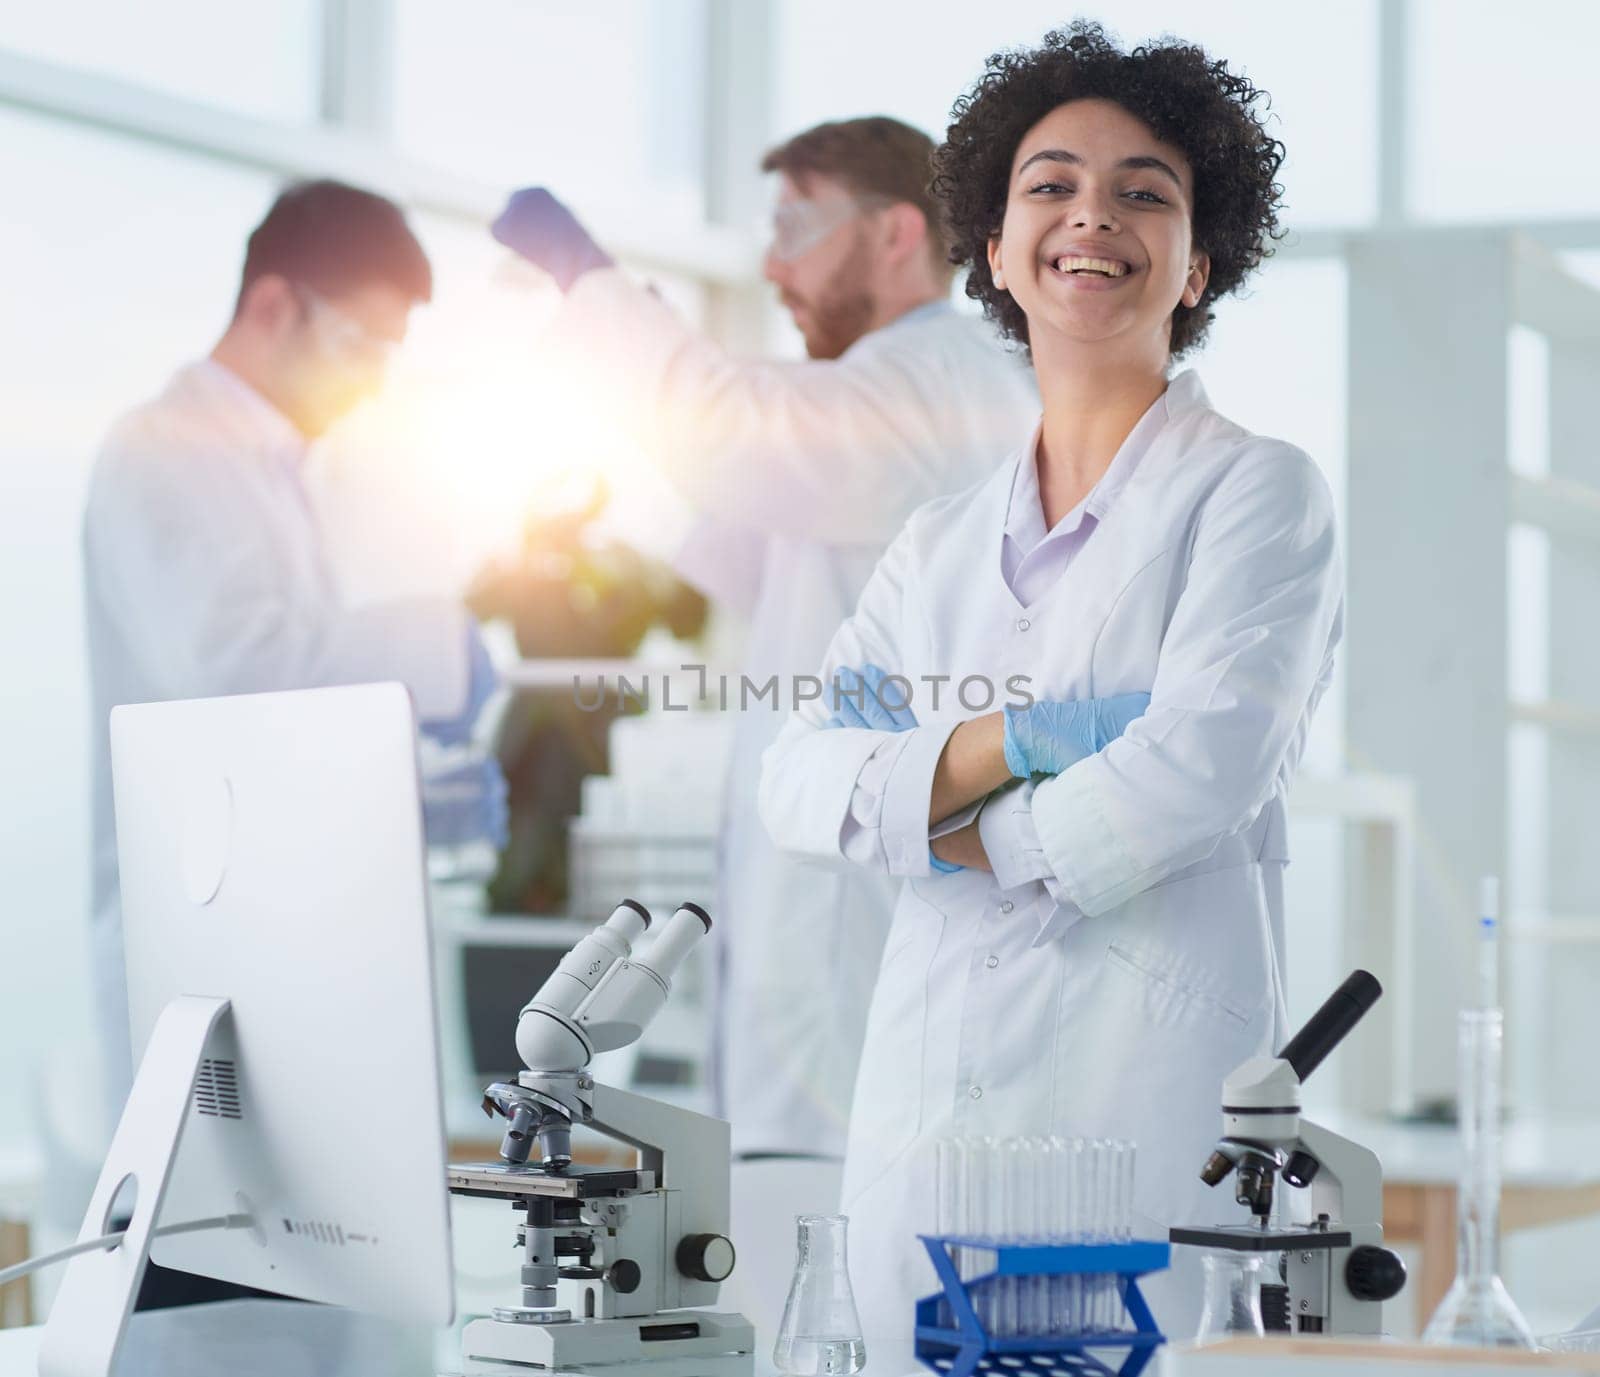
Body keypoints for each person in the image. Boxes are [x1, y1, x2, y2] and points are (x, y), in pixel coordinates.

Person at [758, 23, 1344, 1370]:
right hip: (922, 1146)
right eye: (1052, 185)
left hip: (1130, 1145)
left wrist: (941, 819)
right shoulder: (934, 548)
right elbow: (795, 775)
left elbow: (1195, 772)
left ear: (1199, 263)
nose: (1095, 215)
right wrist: (997, 748)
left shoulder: (1256, 494)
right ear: (998, 248)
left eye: (1146, 191)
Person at [491, 118, 1038, 1164]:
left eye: (796, 222)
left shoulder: (931, 383)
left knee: (837, 1255)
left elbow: (736, 433)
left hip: (870, 943)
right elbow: (757, 554)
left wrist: (602, 295)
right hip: (834, 933)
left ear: (893, 234)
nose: (772, 262)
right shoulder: (898, 391)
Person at [83, 179, 502, 1159]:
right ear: (274, 305)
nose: (372, 383)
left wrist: (399, 793)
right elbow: (239, 674)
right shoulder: (167, 449)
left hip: (270, 942)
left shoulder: (271, 467)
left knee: (314, 1278)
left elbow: (294, 719)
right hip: (194, 948)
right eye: (362, 344)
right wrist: (439, 647)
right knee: (215, 1287)